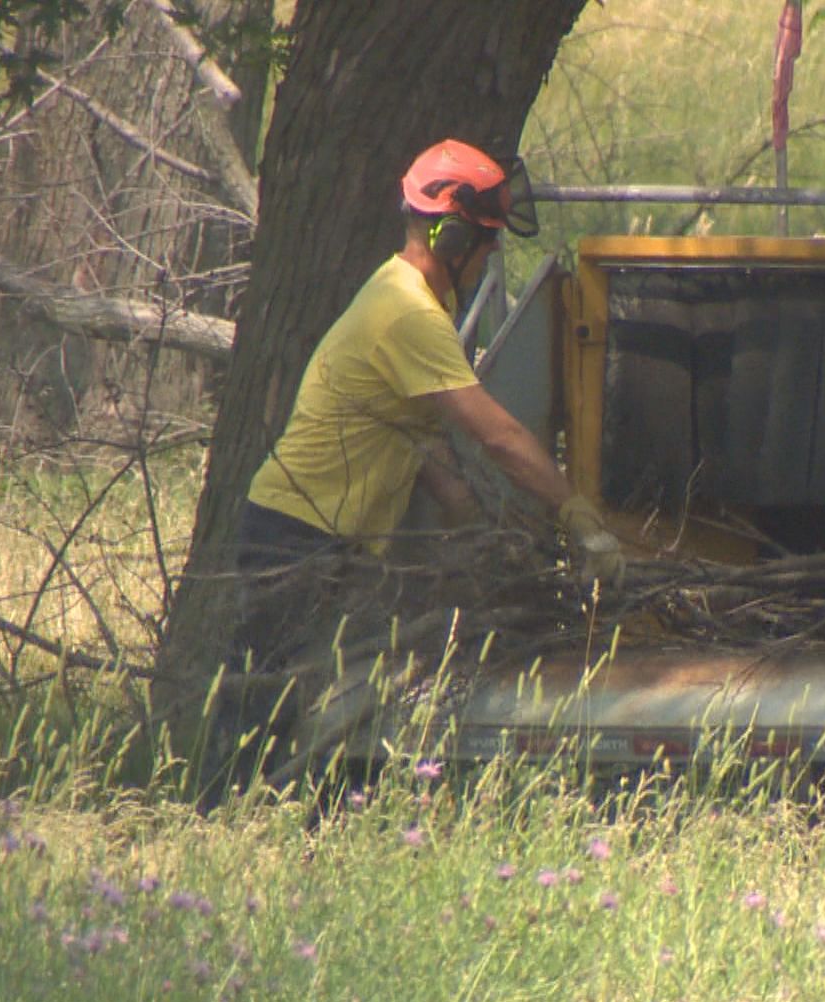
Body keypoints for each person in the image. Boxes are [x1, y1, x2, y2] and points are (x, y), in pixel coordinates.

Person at [224, 139, 623, 770]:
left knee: (329, 708)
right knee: (262, 716)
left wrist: (467, 513)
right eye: (488, 240)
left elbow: (414, 429)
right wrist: (576, 511)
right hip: (297, 535)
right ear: (454, 241)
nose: (493, 253)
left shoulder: (413, 298)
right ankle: (221, 823)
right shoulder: (406, 310)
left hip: (331, 537)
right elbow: (498, 436)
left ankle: (296, 826)